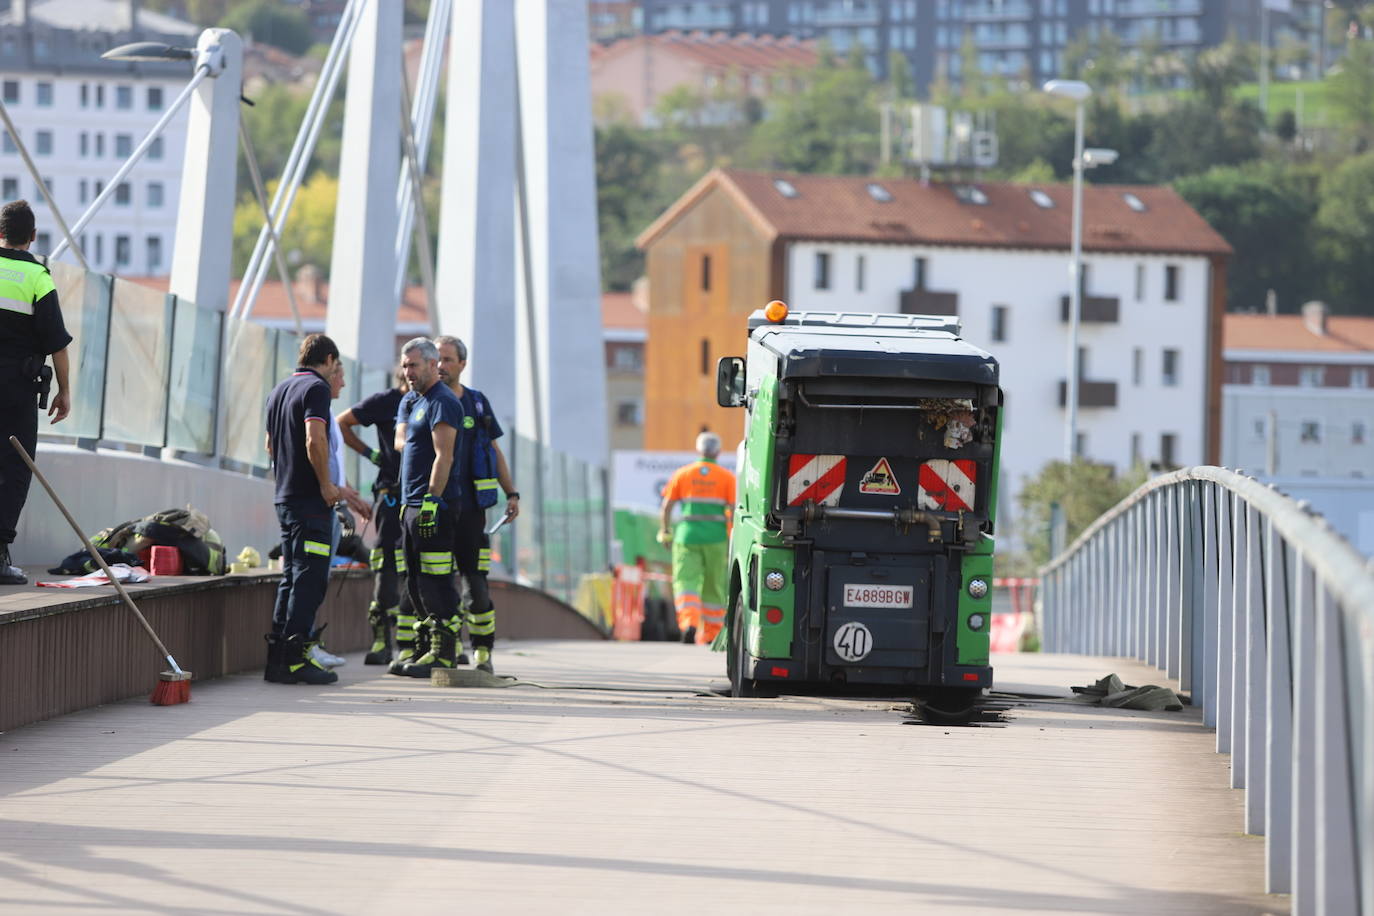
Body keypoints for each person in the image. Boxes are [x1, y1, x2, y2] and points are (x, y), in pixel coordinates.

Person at [263, 334, 364, 685]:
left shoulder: (279, 390)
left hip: (285, 498)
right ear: (330, 358)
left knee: (291, 578)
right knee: (309, 582)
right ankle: (296, 659)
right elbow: (314, 438)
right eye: (338, 366)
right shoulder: (317, 389)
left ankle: (278, 660)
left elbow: (270, 444)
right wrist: (324, 484)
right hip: (311, 504)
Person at [435, 334, 518, 674]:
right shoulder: (424, 401)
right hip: (436, 510)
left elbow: (494, 451)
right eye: (436, 359)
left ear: (462, 364)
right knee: (438, 582)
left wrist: (511, 493)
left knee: (475, 582)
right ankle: (449, 647)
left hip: (472, 512)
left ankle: (483, 650)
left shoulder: (477, 403)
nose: (440, 366)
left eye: (447, 360)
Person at [0, 200, 71, 585]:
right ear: (32, 237)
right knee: (15, 469)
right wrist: (64, 392)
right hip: (14, 390)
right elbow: (57, 343)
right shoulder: (38, 278)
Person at [393, 337, 469, 678]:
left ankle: (444, 653)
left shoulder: (443, 402)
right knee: (415, 580)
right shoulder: (415, 401)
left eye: (413, 365)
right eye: (405, 365)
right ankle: (426, 647)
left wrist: (431, 502)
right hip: (410, 504)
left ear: (432, 363)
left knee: (436, 579)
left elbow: (445, 455)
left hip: (433, 506)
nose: (407, 372)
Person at [337, 366, 410, 666]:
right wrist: (372, 455)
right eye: (410, 367)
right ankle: (382, 640)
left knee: (424, 567)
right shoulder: (386, 401)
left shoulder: (436, 402)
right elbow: (342, 424)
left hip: (425, 499)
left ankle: (413, 641)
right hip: (391, 494)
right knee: (386, 565)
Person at [658, 432, 736, 645]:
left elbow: (667, 506)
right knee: (714, 585)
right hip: (716, 538)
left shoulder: (683, 474)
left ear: (698, 450)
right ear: (718, 452)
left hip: (687, 537)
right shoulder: (727, 477)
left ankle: (689, 624)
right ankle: (711, 633)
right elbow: (734, 510)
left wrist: (665, 531)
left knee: (686, 582)